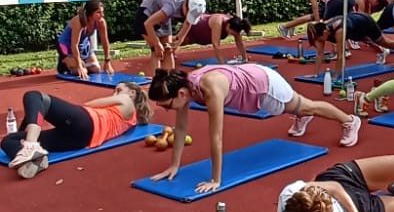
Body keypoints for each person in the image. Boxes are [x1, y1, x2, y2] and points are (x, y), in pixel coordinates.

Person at [148, 66, 362, 193]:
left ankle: (349, 120)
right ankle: (303, 116)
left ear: (181, 95)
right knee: (303, 107)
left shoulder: (209, 88)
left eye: (167, 105)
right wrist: (174, 165)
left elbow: (217, 137)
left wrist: (215, 179)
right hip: (253, 76)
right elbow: (181, 127)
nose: (167, 110)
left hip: (264, 87)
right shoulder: (184, 87)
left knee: (306, 105)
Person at [2, 83, 152, 179]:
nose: (114, 94)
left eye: (118, 90)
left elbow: (90, 104)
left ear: (132, 93)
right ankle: (35, 161)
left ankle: (30, 144)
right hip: (80, 141)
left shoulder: (127, 101)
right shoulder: (130, 120)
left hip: (87, 122)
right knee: (8, 140)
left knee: (34, 95)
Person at [306, 13, 394, 76]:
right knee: (366, 40)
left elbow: (340, 56)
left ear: (325, 33)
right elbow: (319, 54)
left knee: (383, 42)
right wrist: (315, 74)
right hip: (353, 28)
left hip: (364, 22)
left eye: (321, 40)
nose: (320, 42)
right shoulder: (319, 32)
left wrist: (336, 77)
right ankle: (383, 52)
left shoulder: (339, 32)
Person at [133, 0, 207, 72]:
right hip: (146, 16)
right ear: (186, 6)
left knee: (169, 50)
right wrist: (156, 43)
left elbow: (188, 22)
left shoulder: (189, 5)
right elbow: (148, 24)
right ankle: (157, 81)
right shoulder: (171, 6)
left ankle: (170, 80)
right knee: (157, 52)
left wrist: (180, 39)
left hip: (163, 17)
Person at [56, 0, 114, 79]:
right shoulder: (79, 21)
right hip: (66, 46)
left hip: (83, 45)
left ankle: (78, 62)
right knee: (81, 71)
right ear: (90, 13)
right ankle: (64, 62)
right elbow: (74, 44)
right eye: (98, 12)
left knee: (96, 69)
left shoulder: (101, 22)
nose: (102, 15)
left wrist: (107, 62)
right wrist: (79, 65)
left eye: (102, 12)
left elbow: (105, 42)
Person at [174, 13, 251, 64]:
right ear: (228, 25)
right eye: (231, 32)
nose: (232, 34)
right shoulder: (218, 22)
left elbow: (239, 42)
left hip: (204, 37)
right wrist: (222, 64)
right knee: (176, 42)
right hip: (194, 29)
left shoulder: (236, 25)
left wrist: (245, 59)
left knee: (175, 46)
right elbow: (216, 44)